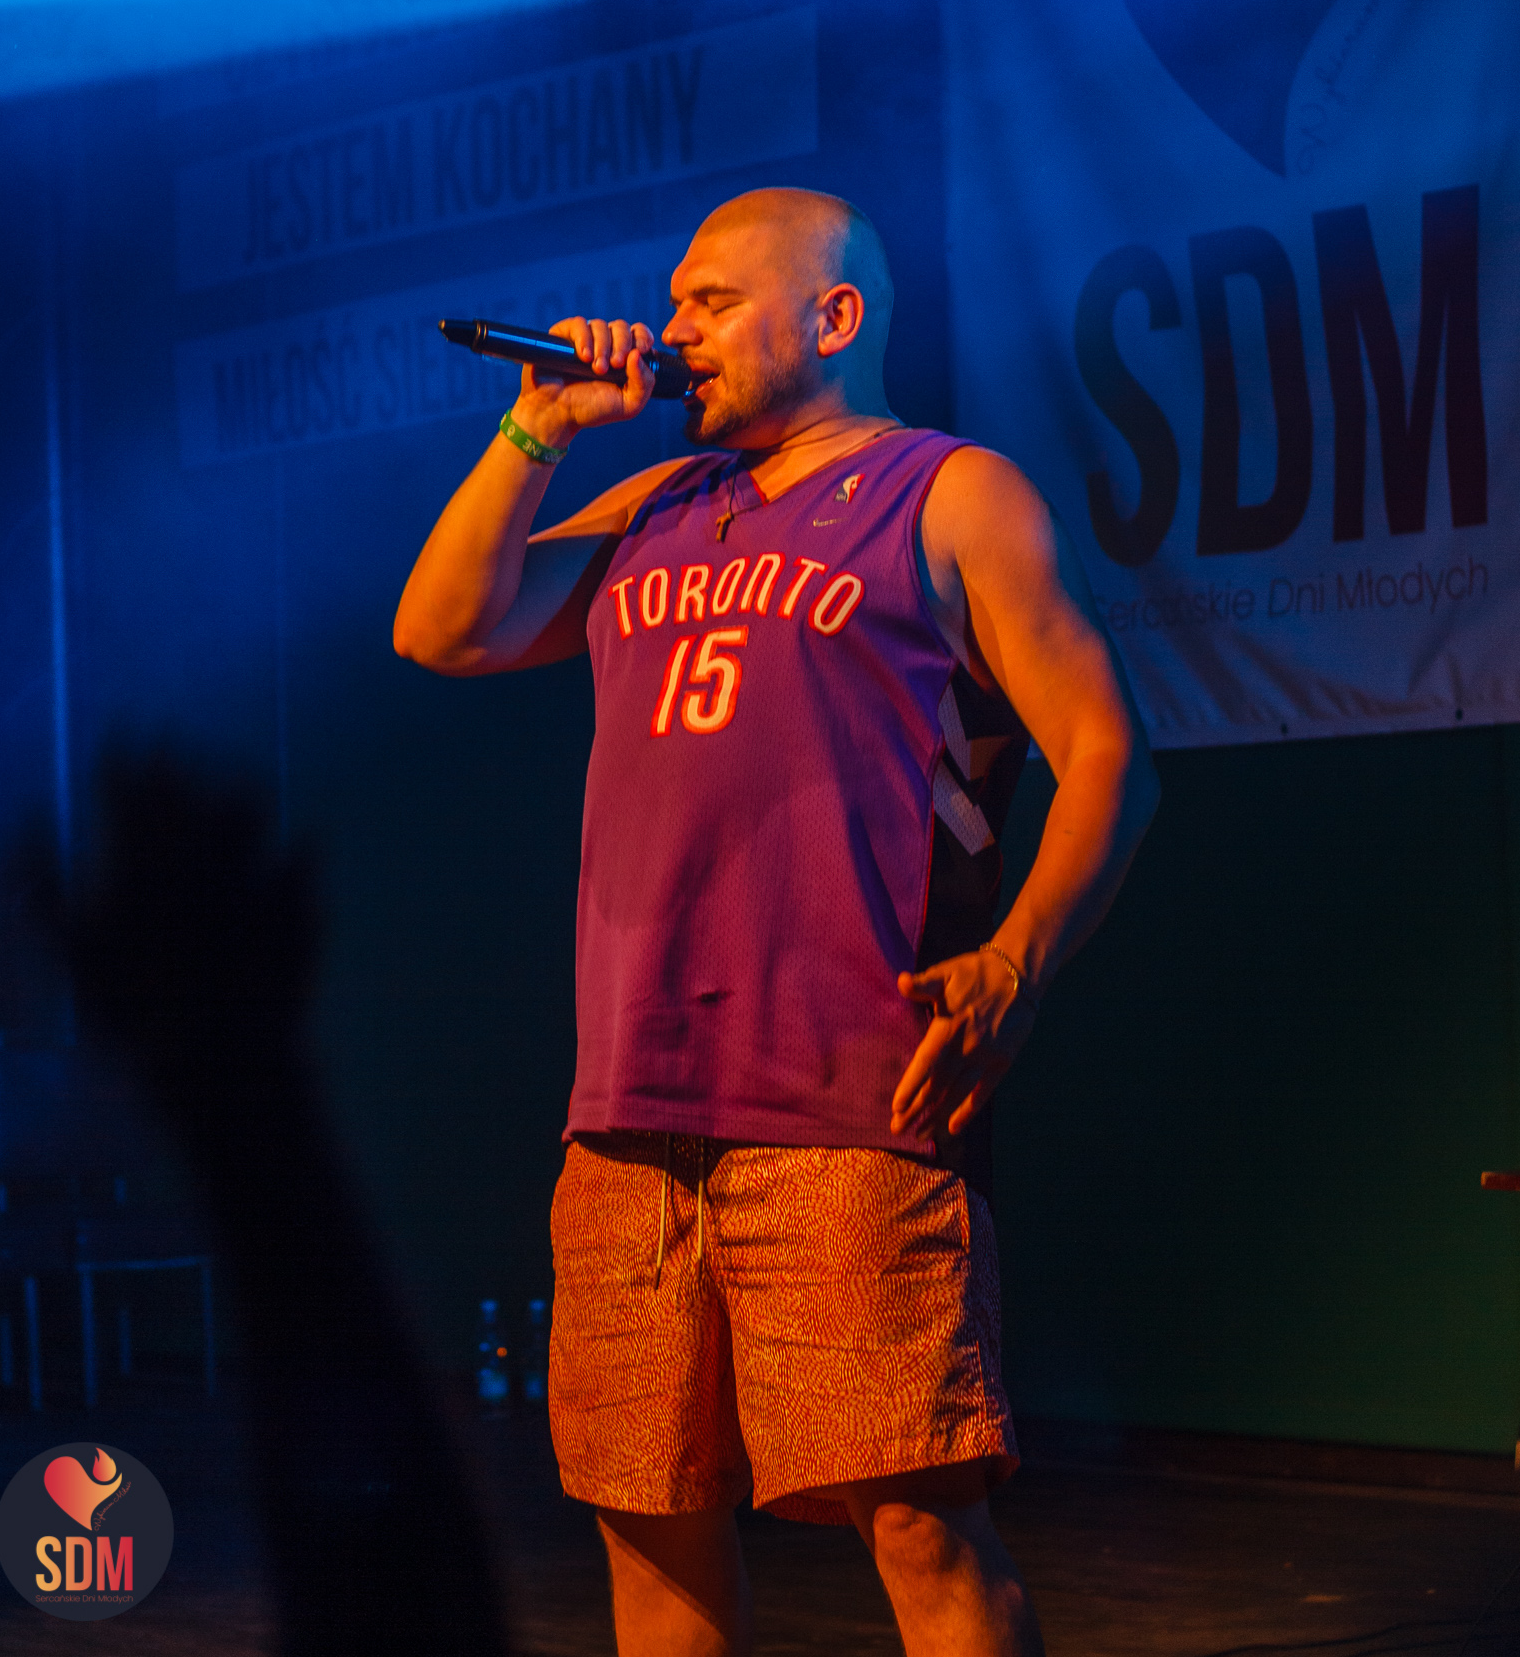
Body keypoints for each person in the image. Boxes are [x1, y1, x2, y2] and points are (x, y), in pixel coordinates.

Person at [394, 187, 1159, 1657]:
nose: (674, 328)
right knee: (648, 1525)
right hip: (626, 1110)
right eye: (674, 300)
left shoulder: (949, 493)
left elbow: (1110, 752)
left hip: (845, 1102)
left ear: (833, 316)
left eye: (713, 300)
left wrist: (1019, 960)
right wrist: (540, 428)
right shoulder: (655, 504)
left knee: (917, 1521)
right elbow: (442, 628)